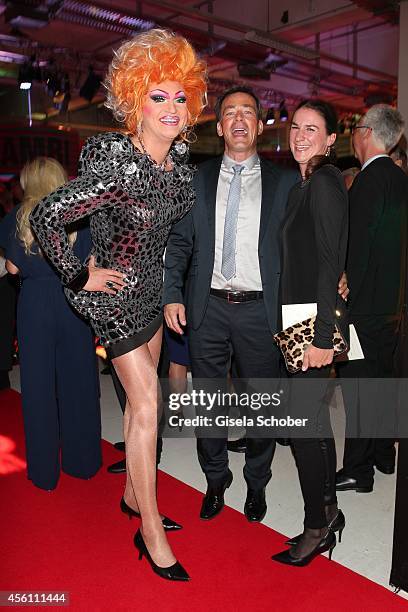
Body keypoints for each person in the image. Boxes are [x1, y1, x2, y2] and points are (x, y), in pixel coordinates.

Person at [29, 29, 206, 581]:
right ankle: (148, 528)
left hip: (152, 295)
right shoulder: (118, 166)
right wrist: (79, 273)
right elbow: (46, 215)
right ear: (134, 99)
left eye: (179, 96)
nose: (171, 108)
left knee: (137, 405)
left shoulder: (180, 172)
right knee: (150, 403)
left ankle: (133, 493)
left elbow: (180, 238)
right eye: (158, 95)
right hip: (114, 301)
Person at [164, 86, 348, 522]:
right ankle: (214, 479)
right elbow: (179, 241)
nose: (240, 119)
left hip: (261, 310)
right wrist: (172, 292)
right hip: (206, 308)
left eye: (248, 111)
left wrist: (341, 274)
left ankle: (256, 482)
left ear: (260, 124)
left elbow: (315, 242)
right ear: (220, 125)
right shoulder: (197, 177)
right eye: (230, 113)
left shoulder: (288, 181)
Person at [271, 99, 349, 566]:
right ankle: (329, 512)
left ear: (332, 139)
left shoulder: (323, 182)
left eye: (312, 129)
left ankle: (316, 527)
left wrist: (322, 337)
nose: (300, 135)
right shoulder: (304, 184)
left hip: (310, 325)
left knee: (304, 431)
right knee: (313, 425)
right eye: (296, 126)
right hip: (295, 320)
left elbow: (328, 264)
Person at [0, 157, 102, 490]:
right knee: (79, 383)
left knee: (38, 387)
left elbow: (13, 271)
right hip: (73, 301)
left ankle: (45, 473)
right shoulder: (78, 214)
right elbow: (90, 263)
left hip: (34, 306)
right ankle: (82, 462)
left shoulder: (16, 218)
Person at [336, 105, 408, 493]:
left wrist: (346, 302)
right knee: (381, 384)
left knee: (360, 390)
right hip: (392, 307)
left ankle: (357, 470)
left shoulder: (368, 181)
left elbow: (358, 251)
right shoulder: (400, 179)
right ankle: (383, 455)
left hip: (363, 308)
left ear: (366, 133)